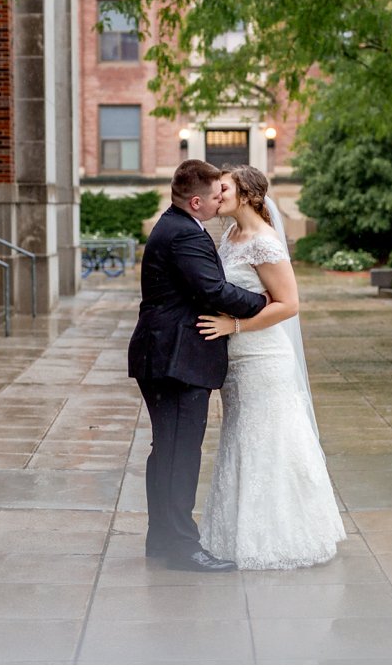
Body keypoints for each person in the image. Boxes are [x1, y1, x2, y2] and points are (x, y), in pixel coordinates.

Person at [197, 165, 345, 569]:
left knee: (270, 440)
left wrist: (235, 324)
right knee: (240, 439)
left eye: (223, 187)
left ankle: (284, 536)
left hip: (263, 356)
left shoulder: (264, 242)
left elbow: (289, 304)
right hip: (236, 360)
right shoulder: (228, 235)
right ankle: (234, 532)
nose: (216, 193)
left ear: (246, 194)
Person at [127, 159, 269, 572]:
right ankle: (182, 547)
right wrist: (261, 304)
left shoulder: (175, 225)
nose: (219, 200)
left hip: (164, 355)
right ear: (195, 201)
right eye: (214, 196)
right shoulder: (184, 234)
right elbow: (213, 289)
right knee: (180, 453)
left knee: (168, 451)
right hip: (174, 359)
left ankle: (162, 538)